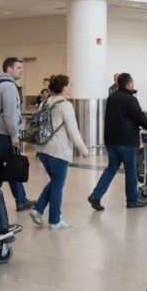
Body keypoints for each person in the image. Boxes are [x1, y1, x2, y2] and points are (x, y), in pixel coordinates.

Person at [88, 73, 147, 210]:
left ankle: (96, 196)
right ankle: (132, 200)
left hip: (111, 140)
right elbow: (139, 117)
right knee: (131, 169)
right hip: (126, 141)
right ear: (129, 84)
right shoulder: (130, 99)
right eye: (132, 82)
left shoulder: (111, 97)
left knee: (112, 167)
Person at [30, 75, 90, 228]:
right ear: (64, 88)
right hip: (58, 150)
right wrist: (84, 149)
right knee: (57, 185)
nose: (71, 87)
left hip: (42, 149)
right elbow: (73, 131)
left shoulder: (44, 102)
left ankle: (38, 210)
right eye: (70, 85)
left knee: (55, 182)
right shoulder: (65, 105)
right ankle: (55, 220)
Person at [0, 57, 36, 212]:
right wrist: (14, 135)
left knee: (11, 165)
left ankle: (21, 200)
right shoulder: (8, 86)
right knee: (0, 170)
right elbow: (9, 114)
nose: (22, 70)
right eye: (19, 67)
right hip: (4, 133)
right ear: (9, 69)